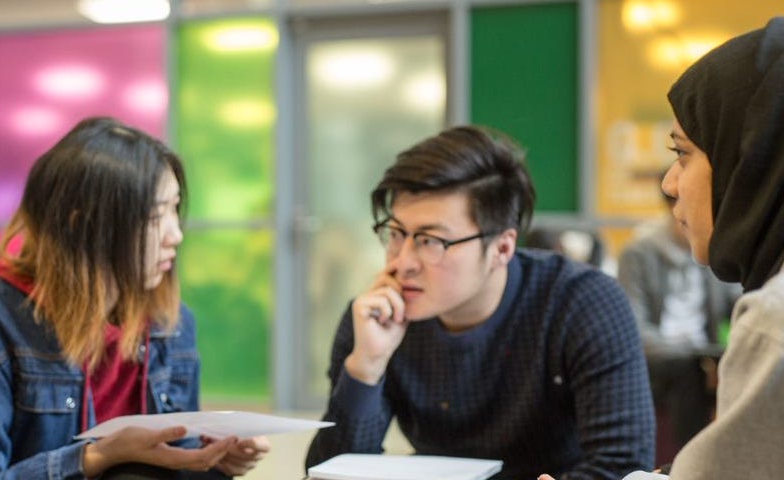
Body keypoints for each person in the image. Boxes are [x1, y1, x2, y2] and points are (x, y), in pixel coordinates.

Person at [0, 116, 269, 479]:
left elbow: (173, 462)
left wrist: (213, 462)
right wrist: (95, 458)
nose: (175, 235)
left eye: (175, 208)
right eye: (155, 216)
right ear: (81, 225)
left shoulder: (171, 323)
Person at [305, 126, 655, 479]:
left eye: (430, 240)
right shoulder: (376, 318)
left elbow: (622, 467)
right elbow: (328, 474)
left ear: (502, 248)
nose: (402, 262)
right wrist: (367, 366)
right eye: (396, 234)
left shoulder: (581, 304)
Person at [550, 16, 784, 480]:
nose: (669, 183)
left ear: (749, 164)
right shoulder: (648, 255)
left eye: (683, 154)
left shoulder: (773, 324)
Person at [616, 190, 740, 454]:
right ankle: (690, 459)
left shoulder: (711, 254)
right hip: (658, 360)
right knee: (689, 370)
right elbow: (633, 331)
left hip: (701, 355)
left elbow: (738, 303)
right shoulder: (638, 254)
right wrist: (694, 352)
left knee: (742, 365)